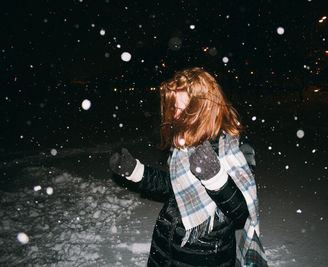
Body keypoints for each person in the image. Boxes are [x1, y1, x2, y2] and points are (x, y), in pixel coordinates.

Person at [109, 67, 268, 266]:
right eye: (175, 108)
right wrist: (136, 171)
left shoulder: (228, 150)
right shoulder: (184, 144)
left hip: (205, 255)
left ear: (204, 109)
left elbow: (240, 213)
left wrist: (216, 179)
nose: (176, 116)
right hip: (165, 247)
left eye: (185, 109)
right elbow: (173, 185)